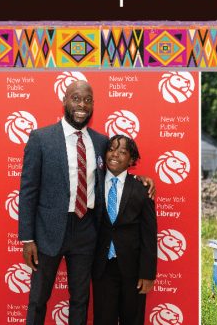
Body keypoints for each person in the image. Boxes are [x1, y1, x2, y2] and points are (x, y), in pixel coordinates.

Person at [18, 81, 155, 325]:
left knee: (80, 299)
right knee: (38, 298)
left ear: (93, 105)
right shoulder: (41, 138)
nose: (82, 105)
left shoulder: (101, 142)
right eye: (76, 98)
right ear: (65, 101)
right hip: (48, 231)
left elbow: (116, 169)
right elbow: (28, 190)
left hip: (86, 230)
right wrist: (28, 239)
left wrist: (139, 179)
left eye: (88, 100)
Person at [92, 135, 157, 325]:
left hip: (133, 270)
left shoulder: (141, 189)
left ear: (131, 160)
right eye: (111, 149)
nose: (115, 154)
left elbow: (149, 235)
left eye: (122, 152)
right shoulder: (93, 185)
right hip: (102, 268)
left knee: (133, 319)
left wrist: (148, 273)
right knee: (103, 319)